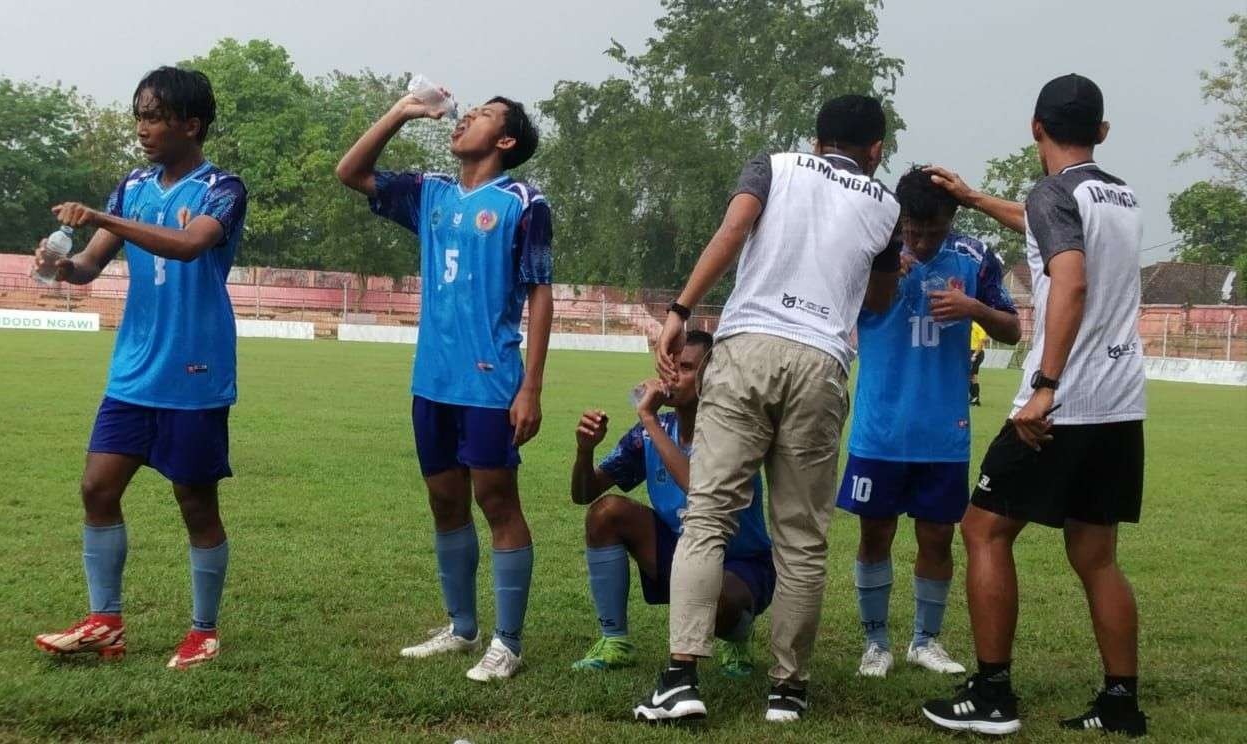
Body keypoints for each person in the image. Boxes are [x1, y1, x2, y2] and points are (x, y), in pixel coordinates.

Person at [633, 95, 902, 724]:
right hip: (821, 362)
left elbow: (733, 233)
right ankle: (788, 690)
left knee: (708, 518)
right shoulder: (886, 204)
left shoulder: (774, 165)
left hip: (748, 344)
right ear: (876, 151)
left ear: (816, 141)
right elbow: (881, 300)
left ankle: (680, 679)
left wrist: (679, 312)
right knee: (802, 540)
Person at [920, 73, 1149, 737]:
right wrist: (974, 198)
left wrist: (1045, 384)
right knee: (1096, 555)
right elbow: (1049, 228)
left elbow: (1069, 275)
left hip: (1063, 404)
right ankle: (1120, 702)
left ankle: (992, 695)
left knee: (982, 529)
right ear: (1101, 133)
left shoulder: (1054, 192)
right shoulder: (1118, 195)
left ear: (1035, 127)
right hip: (1120, 404)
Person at [33, 66, 248, 670]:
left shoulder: (222, 188)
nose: (142, 128)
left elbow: (187, 245)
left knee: (195, 503)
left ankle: (203, 629)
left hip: (195, 371)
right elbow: (89, 268)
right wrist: (58, 266)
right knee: (97, 488)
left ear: (191, 123)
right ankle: (105, 622)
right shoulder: (132, 185)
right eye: (140, 115)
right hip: (133, 370)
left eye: (154, 116)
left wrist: (101, 219)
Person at [336, 86, 552, 681]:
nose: (464, 120)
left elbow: (540, 292)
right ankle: (461, 627)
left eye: (482, 116)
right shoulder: (427, 192)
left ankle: (507, 641)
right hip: (431, 381)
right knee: (444, 501)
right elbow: (350, 171)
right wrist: (404, 112)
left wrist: (530, 387)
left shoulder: (523, 201)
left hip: (490, 383)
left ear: (505, 141)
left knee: (497, 501)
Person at [838, 167, 1020, 681]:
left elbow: (1012, 329)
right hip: (879, 426)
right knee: (875, 534)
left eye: (931, 231)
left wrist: (974, 308)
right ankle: (876, 644)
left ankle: (926, 641)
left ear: (951, 220)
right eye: (911, 230)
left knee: (938, 537)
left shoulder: (974, 257)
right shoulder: (872, 251)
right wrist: (882, 273)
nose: (918, 240)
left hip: (944, 431)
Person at [569, 330, 774, 677]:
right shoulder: (652, 433)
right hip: (682, 552)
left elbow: (700, 489)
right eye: (671, 367)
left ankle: (738, 636)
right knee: (606, 513)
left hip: (741, 563)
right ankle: (615, 640)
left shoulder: (733, 431)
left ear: (713, 376)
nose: (673, 376)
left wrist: (648, 418)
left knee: (717, 600)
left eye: (687, 367)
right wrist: (584, 450)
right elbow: (584, 494)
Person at [970, 322, 989, 405]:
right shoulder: (968, 325)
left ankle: (975, 398)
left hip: (977, 352)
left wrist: (975, 354)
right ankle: (973, 396)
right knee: (970, 375)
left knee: (972, 375)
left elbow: (982, 341)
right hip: (969, 352)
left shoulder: (978, 325)